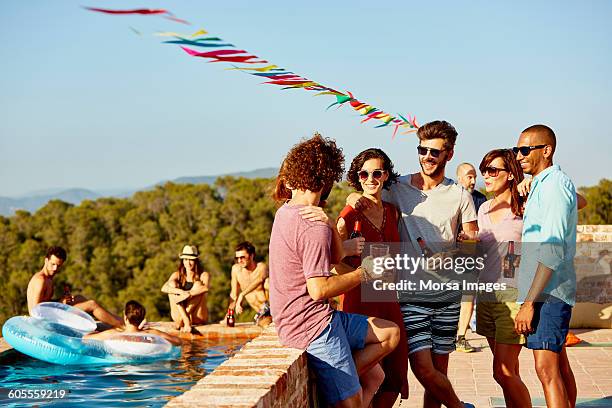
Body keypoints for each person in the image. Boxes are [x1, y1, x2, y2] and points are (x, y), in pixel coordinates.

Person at [350, 121, 478, 408]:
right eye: (422, 150)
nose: (427, 157)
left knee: (438, 374)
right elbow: (364, 192)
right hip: (410, 296)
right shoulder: (398, 187)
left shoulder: (460, 195)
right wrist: (351, 197)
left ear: (449, 154)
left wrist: (458, 249)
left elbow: (471, 240)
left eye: (435, 152)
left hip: (447, 295)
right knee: (422, 369)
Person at [269, 133, 401, 408]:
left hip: (310, 319)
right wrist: (364, 273)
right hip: (312, 328)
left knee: (390, 336)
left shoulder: (287, 212)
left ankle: (340, 377)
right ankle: (340, 382)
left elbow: (330, 256)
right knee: (351, 402)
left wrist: (330, 225)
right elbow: (318, 290)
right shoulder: (311, 225)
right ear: (327, 178)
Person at [336, 148, 409, 407]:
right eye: (364, 173)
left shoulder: (393, 211)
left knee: (396, 375)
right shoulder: (349, 215)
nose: (370, 178)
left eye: (376, 173)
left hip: (389, 298)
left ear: (385, 175)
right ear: (357, 177)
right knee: (369, 376)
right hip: (359, 301)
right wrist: (360, 277)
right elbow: (333, 263)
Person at [513, 124, 578, 408]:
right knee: (558, 366)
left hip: (547, 293)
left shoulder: (555, 185)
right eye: (517, 150)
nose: (519, 156)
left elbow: (551, 250)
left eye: (525, 150)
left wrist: (529, 303)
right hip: (545, 291)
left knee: (546, 370)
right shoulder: (546, 183)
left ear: (546, 151)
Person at [475, 149, 532, 407]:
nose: (486, 176)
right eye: (484, 170)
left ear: (510, 174)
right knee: (508, 373)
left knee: (503, 371)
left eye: (493, 170)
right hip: (486, 295)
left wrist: (536, 184)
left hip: (512, 296)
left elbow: (578, 201)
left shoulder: (525, 205)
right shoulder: (484, 208)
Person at [27, 246, 123, 328]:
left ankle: (119, 320)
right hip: (43, 321)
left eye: (58, 266)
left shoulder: (48, 278)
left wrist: (62, 301)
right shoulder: (41, 280)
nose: (55, 268)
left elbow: (44, 302)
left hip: (49, 314)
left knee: (79, 298)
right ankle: (121, 326)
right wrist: (60, 303)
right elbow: (36, 311)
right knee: (91, 304)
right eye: (53, 264)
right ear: (46, 260)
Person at [454, 162, 487, 353]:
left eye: (475, 176)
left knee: (468, 297)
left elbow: (483, 230)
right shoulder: (450, 196)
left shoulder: (481, 200)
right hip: (448, 256)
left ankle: (461, 337)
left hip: (470, 257)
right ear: (459, 178)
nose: (473, 180)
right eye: (469, 176)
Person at [84, 300, 181, 346]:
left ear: (125, 317)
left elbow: (85, 338)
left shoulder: (113, 334)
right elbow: (178, 341)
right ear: (142, 319)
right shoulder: (152, 334)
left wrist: (94, 332)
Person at [161, 245, 209, 333]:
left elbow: (205, 288)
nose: (188, 262)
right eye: (185, 259)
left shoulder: (203, 274)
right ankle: (185, 319)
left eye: (191, 260)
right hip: (180, 316)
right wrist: (180, 292)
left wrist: (189, 294)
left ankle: (184, 319)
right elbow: (164, 288)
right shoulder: (177, 274)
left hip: (197, 316)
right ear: (182, 261)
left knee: (198, 285)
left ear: (196, 261)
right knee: (171, 285)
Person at [227, 241, 271, 326]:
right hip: (261, 313)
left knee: (268, 282)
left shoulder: (261, 267)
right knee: (265, 324)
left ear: (251, 256)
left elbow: (259, 280)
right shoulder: (236, 270)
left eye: (242, 257)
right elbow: (233, 294)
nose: (239, 260)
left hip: (271, 308)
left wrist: (242, 295)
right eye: (237, 258)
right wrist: (229, 315)